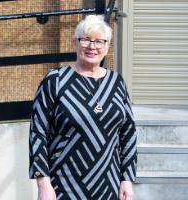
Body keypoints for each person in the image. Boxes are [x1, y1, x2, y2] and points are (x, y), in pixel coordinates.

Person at [29, 15, 137, 200]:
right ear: (75, 44)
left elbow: (128, 134)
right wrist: (43, 183)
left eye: (99, 42)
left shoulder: (117, 82)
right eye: (85, 40)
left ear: (107, 47)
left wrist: (127, 178)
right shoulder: (55, 80)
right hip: (64, 185)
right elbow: (38, 132)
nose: (92, 46)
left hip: (108, 185)